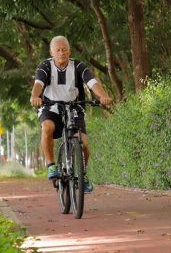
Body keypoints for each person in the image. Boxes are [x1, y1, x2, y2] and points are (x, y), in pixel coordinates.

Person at [29, 35, 112, 193]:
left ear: (69, 51)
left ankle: (82, 175)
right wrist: (34, 96)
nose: (61, 53)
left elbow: (92, 82)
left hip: (74, 108)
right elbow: (38, 83)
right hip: (50, 107)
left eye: (64, 49)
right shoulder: (45, 66)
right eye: (58, 50)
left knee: (83, 144)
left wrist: (103, 96)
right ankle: (51, 166)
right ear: (51, 52)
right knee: (47, 127)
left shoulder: (79, 66)